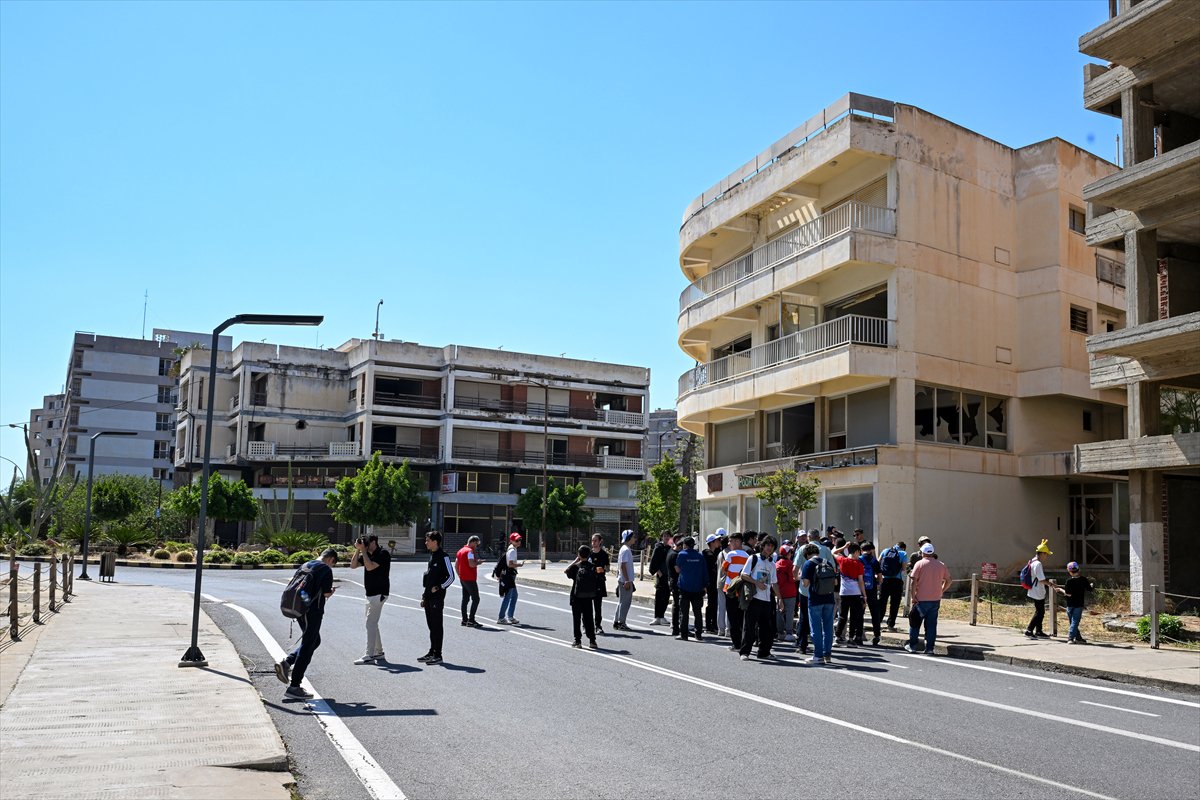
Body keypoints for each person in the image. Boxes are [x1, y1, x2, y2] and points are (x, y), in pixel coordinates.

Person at [277, 548, 338, 699]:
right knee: (308, 645)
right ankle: (294, 686)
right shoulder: (325, 569)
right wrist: (331, 592)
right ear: (331, 559)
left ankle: (287, 663)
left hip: (300, 609)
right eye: (333, 564)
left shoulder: (306, 564)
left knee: (315, 641)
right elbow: (326, 593)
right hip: (313, 611)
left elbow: (302, 590)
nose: (332, 566)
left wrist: (306, 603)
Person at [350, 533, 391, 665]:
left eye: (367, 543)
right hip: (370, 594)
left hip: (379, 593)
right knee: (373, 623)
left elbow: (370, 567)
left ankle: (369, 655)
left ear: (373, 542)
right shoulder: (367, 553)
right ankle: (379, 652)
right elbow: (353, 565)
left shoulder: (383, 553)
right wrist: (358, 549)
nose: (365, 545)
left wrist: (363, 551)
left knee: (370, 623)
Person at [905, 543, 951, 654]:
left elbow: (913, 582)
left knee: (915, 623)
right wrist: (941, 590)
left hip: (920, 599)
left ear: (922, 553)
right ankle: (930, 648)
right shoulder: (941, 564)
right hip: (935, 599)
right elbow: (949, 580)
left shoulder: (919, 564)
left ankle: (912, 645)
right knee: (931, 625)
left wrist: (913, 596)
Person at [739, 536, 778, 661]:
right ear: (763, 546)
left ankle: (764, 652)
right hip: (754, 597)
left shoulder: (772, 564)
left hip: (767, 599)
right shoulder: (754, 558)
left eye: (772, 546)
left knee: (766, 628)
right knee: (749, 626)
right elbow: (743, 575)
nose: (769, 548)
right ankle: (745, 652)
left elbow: (774, 583)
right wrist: (757, 582)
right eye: (768, 545)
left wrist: (780, 599)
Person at [419, 531, 455, 665]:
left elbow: (451, 577)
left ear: (435, 542)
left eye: (428, 540)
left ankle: (438, 655)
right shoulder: (432, 556)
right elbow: (429, 578)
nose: (426, 543)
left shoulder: (443, 556)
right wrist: (424, 596)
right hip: (429, 597)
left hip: (437, 598)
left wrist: (440, 587)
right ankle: (432, 652)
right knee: (431, 626)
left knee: (437, 626)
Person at [800, 543, 836, 665]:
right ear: (818, 552)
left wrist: (801, 576)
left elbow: (805, 584)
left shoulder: (808, 564)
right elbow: (835, 582)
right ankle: (827, 654)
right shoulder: (827, 563)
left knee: (815, 628)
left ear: (807, 555)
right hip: (829, 599)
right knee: (828, 628)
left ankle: (818, 655)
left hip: (815, 599)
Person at [565, 545, 601, 649]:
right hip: (588, 596)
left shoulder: (576, 567)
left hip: (576, 596)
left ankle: (577, 641)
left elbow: (567, 571)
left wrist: (576, 561)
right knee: (589, 618)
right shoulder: (593, 567)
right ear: (589, 555)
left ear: (579, 555)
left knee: (576, 619)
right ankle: (592, 641)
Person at [719, 532, 750, 650]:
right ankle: (741, 642)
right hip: (742, 589)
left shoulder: (730, 554)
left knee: (732, 618)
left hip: (730, 588)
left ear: (738, 542)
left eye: (731, 541)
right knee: (741, 617)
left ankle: (736, 644)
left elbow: (723, 569)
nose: (729, 544)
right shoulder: (747, 556)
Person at [674, 536, 706, 641]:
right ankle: (698, 634)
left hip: (684, 587)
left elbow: (677, 569)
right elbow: (704, 571)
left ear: (685, 545)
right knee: (698, 612)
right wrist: (705, 585)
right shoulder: (700, 556)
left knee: (684, 612)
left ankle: (684, 635)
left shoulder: (681, 554)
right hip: (697, 587)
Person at [835, 542, 866, 646]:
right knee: (853, 616)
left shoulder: (842, 560)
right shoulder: (859, 564)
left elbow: (833, 552)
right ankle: (851, 638)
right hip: (855, 593)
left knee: (842, 616)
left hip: (844, 593)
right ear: (856, 552)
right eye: (859, 553)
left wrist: (844, 547)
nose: (859, 555)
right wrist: (864, 595)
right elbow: (861, 581)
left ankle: (837, 637)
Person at [1024, 539, 1055, 639]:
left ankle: (1038, 631)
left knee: (1039, 611)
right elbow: (1041, 580)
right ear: (1042, 553)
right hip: (1037, 590)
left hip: (1033, 589)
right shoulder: (1038, 564)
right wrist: (1050, 584)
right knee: (1040, 612)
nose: (1047, 556)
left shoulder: (1032, 561)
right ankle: (1029, 630)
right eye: (1046, 554)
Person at [1057, 561, 1094, 644]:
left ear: (1069, 571)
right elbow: (1089, 589)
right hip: (1079, 604)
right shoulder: (1083, 579)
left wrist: (1060, 589)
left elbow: (1068, 594)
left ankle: (1074, 638)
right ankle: (1074, 638)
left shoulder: (1069, 581)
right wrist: (1091, 585)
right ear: (1078, 569)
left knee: (1073, 622)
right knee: (1075, 622)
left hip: (1070, 604)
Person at [877, 540, 907, 630]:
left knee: (882, 602)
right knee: (895, 604)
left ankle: (878, 622)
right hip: (897, 581)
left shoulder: (885, 551)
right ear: (903, 548)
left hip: (885, 580)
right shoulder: (903, 553)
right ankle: (890, 624)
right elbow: (904, 568)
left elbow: (878, 563)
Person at [455, 535, 483, 628]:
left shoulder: (460, 551)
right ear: (473, 542)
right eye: (477, 544)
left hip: (463, 578)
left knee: (465, 599)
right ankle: (471, 620)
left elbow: (456, 565)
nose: (477, 547)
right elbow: (471, 564)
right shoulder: (470, 551)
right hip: (470, 578)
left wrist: (460, 575)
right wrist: (478, 562)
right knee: (476, 599)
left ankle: (464, 619)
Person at [612, 529, 637, 631]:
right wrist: (627, 580)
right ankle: (621, 622)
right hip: (625, 580)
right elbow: (623, 566)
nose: (635, 539)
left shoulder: (624, 548)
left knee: (621, 601)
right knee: (625, 602)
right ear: (629, 538)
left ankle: (616, 621)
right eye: (633, 537)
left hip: (623, 579)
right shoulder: (626, 550)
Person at [496, 532, 523, 625]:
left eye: (519, 540)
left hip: (510, 575)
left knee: (514, 596)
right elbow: (510, 564)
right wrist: (519, 565)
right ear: (511, 541)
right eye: (516, 540)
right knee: (508, 597)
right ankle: (501, 617)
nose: (519, 542)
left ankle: (510, 616)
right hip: (509, 576)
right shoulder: (512, 551)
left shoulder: (512, 549)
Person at [859, 542, 882, 645]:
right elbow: (880, 577)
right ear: (871, 550)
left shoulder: (859, 560)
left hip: (860, 590)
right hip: (872, 590)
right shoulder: (874, 561)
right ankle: (877, 635)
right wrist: (877, 583)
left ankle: (859, 635)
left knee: (860, 613)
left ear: (861, 550)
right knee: (875, 613)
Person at [775, 544, 798, 642]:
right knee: (789, 613)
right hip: (790, 592)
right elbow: (792, 579)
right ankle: (789, 633)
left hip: (779, 591)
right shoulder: (790, 564)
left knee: (780, 612)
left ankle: (780, 633)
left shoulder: (776, 564)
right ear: (788, 553)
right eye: (790, 552)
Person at [589, 533, 610, 635]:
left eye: (595, 540)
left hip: (599, 582)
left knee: (598, 606)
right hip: (589, 582)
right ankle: (587, 625)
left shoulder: (604, 554)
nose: (593, 543)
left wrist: (603, 569)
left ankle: (598, 626)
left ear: (600, 541)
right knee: (587, 605)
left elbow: (608, 568)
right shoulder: (589, 553)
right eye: (592, 540)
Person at [702, 532, 722, 634]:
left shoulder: (717, 553)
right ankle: (709, 625)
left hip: (715, 581)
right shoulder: (707, 555)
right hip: (710, 582)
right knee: (711, 604)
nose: (719, 542)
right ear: (712, 542)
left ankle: (714, 624)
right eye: (717, 540)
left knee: (714, 604)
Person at [667, 536, 684, 637]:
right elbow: (677, 570)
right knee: (678, 604)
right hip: (676, 581)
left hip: (673, 580)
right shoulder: (674, 555)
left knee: (677, 604)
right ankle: (676, 627)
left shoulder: (671, 552)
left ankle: (676, 626)